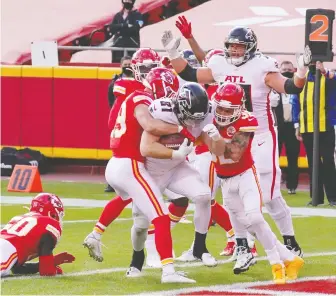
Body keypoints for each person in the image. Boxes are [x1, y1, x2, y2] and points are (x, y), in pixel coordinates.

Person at [162, 18, 312, 257]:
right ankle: (243, 244)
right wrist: (172, 52)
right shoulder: (221, 64)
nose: (234, 50)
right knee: (232, 194)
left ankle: (290, 240)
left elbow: (292, 87)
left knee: (270, 196)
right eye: (231, 46)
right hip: (230, 137)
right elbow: (190, 73)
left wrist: (302, 71)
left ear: (250, 47)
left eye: (239, 46)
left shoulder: (262, 66)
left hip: (259, 136)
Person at [84, 67, 195, 283]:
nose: (169, 96)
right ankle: (169, 272)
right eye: (169, 90)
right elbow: (149, 124)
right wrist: (181, 129)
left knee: (125, 199)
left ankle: (96, 234)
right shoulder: (141, 98)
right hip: (129, 164)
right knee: (161, 217)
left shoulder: (135, 96)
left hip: (117, 163)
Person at [202, 82, 304, 282]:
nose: (222, 113)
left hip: (245, 176)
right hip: (225, 182)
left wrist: (217, 139)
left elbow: (234, 154)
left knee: (255, 218)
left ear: (239, 107)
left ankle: (276, 263)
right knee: (249, 225)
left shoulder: (247, 120)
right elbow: (208, 148)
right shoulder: (209, 118)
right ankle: (289, 258)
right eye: (220, 107)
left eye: (227, 109)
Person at [135, 82, 218, 272]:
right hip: (152, 170)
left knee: (204, 195)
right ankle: (140, 258)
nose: (193, 123)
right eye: (190, 118)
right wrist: (177, 154)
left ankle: (199, 247)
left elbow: (210, 145)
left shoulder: (205, 114)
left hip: (178, 167)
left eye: (198, 119)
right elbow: (146, 148)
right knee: (141, 221)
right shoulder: (162, 111)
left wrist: (218, 139)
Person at [292, 61, 336, 206]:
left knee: (328, 161)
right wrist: (297, 125)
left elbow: (334, 79)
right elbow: (295, 101)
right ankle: (316, 198)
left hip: (326, 126)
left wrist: (323, 71)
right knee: (313, 163)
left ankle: (333, 197)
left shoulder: (328, 76)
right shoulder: (300, 77)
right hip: (307, 127)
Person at [0, 193, 75, 277]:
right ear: (52, 213)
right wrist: (52, 263)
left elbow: (17, 269)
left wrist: (49, 262)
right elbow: (47, 272)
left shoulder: (19, 218)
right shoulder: (49, 224)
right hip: (4, 250)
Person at [105, 55, 134, 193]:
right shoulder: (116, 82)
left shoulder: (138, 79)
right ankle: (112, 182)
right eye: (125, 63)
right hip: (121, 120)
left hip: (133, 119)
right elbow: (112, 101)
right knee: (117, 150)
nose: (127, 66)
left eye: (129, 63)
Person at [273, 61, 300, 194]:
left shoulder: (297, 88)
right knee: (274, 157)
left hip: (292, 127)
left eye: (289, 69)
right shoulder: (274, 88)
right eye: (284, 70)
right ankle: (274, 185)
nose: (287, 72)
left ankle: (292, 186)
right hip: (278, 127)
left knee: (293, 157)